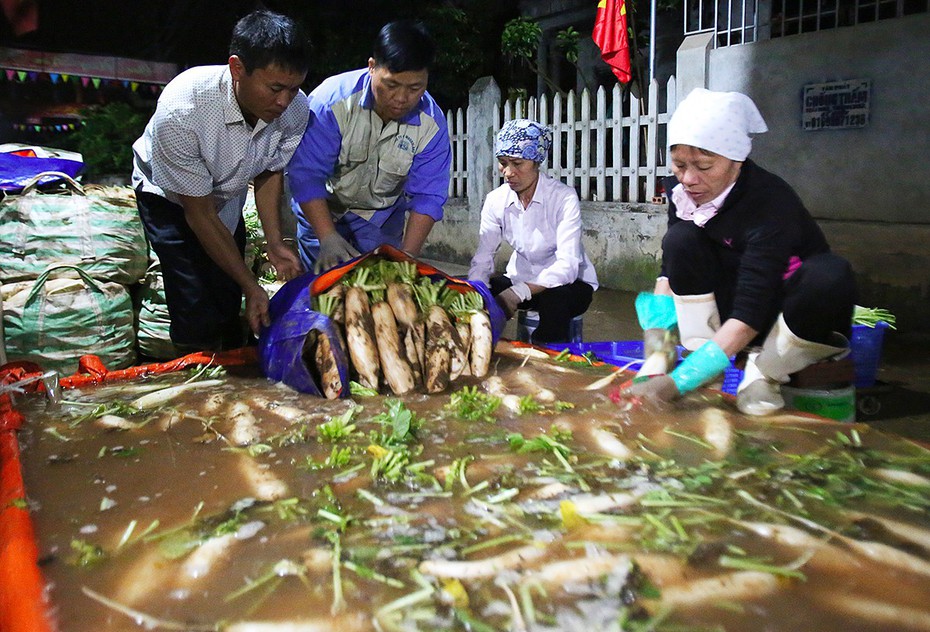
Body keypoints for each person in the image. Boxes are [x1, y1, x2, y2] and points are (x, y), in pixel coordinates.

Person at [625, 88, 857, 415]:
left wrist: (678, 383)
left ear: (736, 161)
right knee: (681, 239)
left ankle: (765, 372)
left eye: (704, 167)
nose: (689, 179)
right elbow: (671, 268)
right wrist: (658, 344)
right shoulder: (685, 193)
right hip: (728, 305)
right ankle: (705, 355)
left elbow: (751, 308)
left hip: (783, 314)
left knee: (829, 274)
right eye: (679, 165)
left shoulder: (770, 203)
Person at [132, 10, 311, 354]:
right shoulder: (183, 108)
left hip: (226, 194)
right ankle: (197, 377)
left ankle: (232, 366)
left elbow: (269, 171)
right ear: (237, 68)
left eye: (294, 88)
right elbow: (198, 214)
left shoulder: (294, 108)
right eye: (275, 88)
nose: (284, 101)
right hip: (170, 197)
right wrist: (251, 284)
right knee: (194, 296)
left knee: (228, 294)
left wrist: (274, 243)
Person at [286, 20, 451, 273]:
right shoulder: (331, 102)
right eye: (392, 85)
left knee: (380, 295)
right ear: (372, 67)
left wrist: (407, 257)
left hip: (380, 220)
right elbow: (307, 174)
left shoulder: (432, 125)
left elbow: (428, 196)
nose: (401, 98)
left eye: (415, 88)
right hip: (323, 209)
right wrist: (327, 236)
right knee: (323, 294)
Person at [468, 119, 598, 344]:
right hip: (521, 279)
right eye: (503, 162)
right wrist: (476, 289)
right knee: (473, 293)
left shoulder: (563, 198)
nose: (508, 172)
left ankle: (547, 369)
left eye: (517, 163)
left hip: (570, 285)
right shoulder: (495, 201)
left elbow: (567, 266)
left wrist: (519, 292)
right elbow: (483, 259)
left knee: (555, 302)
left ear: (537, 162)